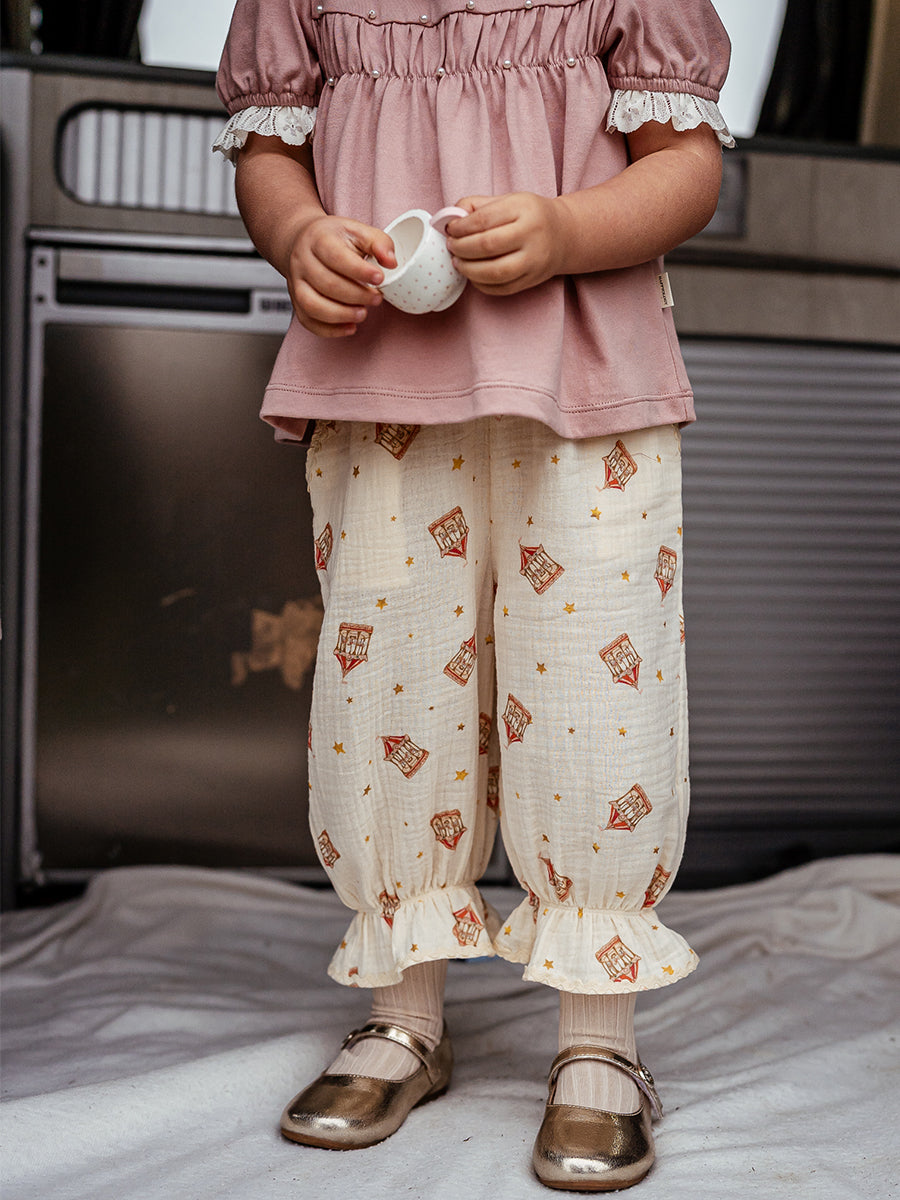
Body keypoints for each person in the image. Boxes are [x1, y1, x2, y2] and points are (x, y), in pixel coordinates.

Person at [214, 0, 732, 1188]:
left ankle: (598, 1041)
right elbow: (267, 147)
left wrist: (566, 229)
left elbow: (689, 167)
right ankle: (404, 1017)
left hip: (584, 388)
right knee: (388, 690)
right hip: (381, 388)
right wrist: (297, 235)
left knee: (600, 707)